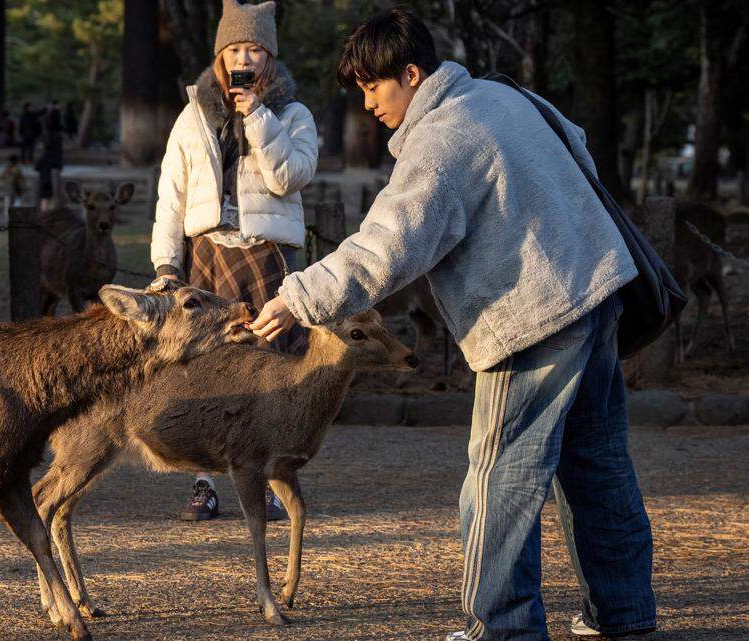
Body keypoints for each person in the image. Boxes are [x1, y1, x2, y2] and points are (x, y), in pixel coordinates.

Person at [247, 9, 655, 641]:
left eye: (374, 86)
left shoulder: (441, 139)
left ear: (411, 75)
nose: (368, 102)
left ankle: (502, 628)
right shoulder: (503, 95)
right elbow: (579, 150)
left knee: (499, 480)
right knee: (597, 463)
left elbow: (385, 247)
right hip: (597, 290)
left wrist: (297, 297)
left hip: (533, 319)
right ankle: (624, 616)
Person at [150, 0, 317, 522]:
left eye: (255, 50)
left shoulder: (292, 114)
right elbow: (171, 195)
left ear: (270, 56)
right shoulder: (192, 114)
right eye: (235, 49)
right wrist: (165, 265)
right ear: (220, 57)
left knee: (269, 368)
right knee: (206, 369)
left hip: (266, 254)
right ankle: (205, 484)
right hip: (208, 253)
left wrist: (258, 117)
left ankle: (265, 481)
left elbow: (290, 179)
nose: (244, 59)